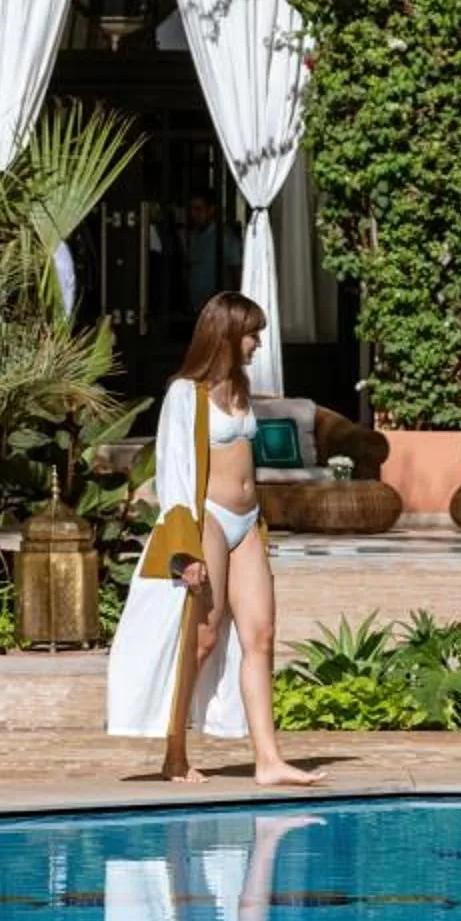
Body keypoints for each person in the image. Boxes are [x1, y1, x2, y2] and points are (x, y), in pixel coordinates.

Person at [106, 289, 314, 786]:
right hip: (210, 520)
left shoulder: (242, 390)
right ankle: (174, 753)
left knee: (260, 634)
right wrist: (185, 550)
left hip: (248, 523)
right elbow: (175, 471)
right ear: (225, 334)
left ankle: (268, 760)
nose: (257, 344)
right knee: (201, 638)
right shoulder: (185, 393)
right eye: (251, 334)